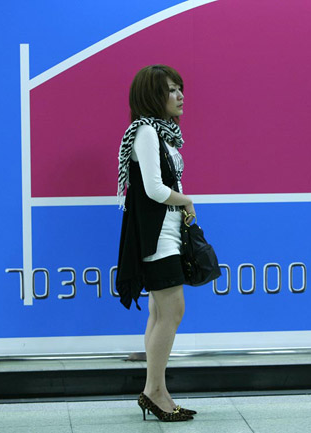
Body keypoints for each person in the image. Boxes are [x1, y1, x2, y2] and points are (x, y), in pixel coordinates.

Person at [115, 65, 197, 422]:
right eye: (170, 90)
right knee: (172, 310)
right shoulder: (146, 131)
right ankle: (153, 391)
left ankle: (158, 391)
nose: (179, 96)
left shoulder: (162, 133)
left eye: (180, 88)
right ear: (152, 96)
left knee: (160, 313)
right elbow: (154, 189)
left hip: (167, 232)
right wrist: (187, 200)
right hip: (158, 236)